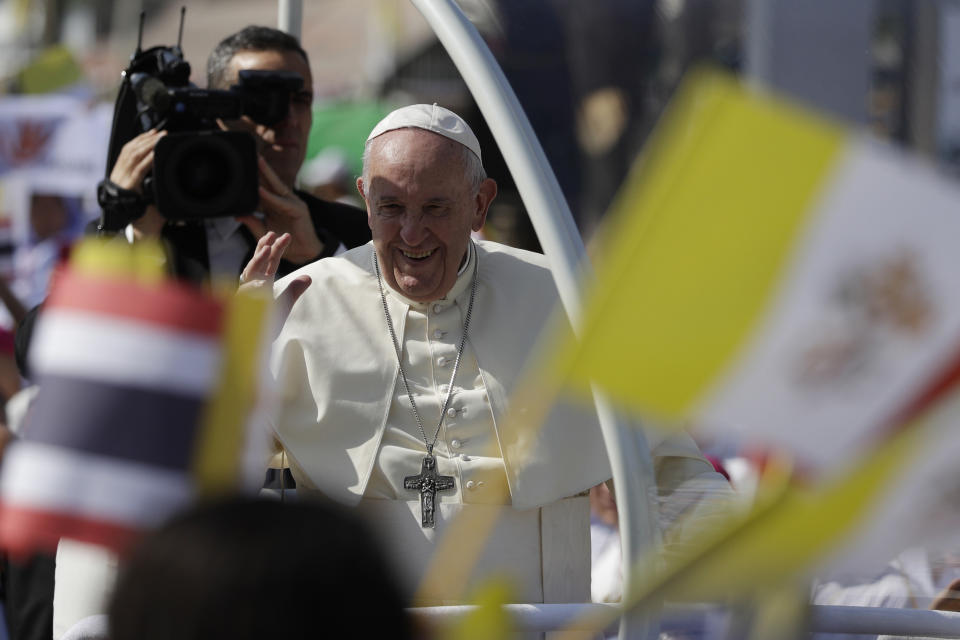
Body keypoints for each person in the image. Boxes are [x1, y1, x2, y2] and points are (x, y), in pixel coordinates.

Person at [250, 104, 729, 608]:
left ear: (480, 204)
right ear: (365, 199)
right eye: (391, 208)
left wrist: (753, 555)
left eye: (436, 208)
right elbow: (223, 478)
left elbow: (667, 470)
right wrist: (237, 360)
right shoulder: (297, 304)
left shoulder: (564, 297)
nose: (412, 234)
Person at [104, 25, 370, 284]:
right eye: (262, 102)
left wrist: (319, 257)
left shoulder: (357, 234)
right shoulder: (139, 233)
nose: (288, 118)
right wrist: (137, 240)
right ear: (216, 109)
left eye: (301, 100)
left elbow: (380, 324)